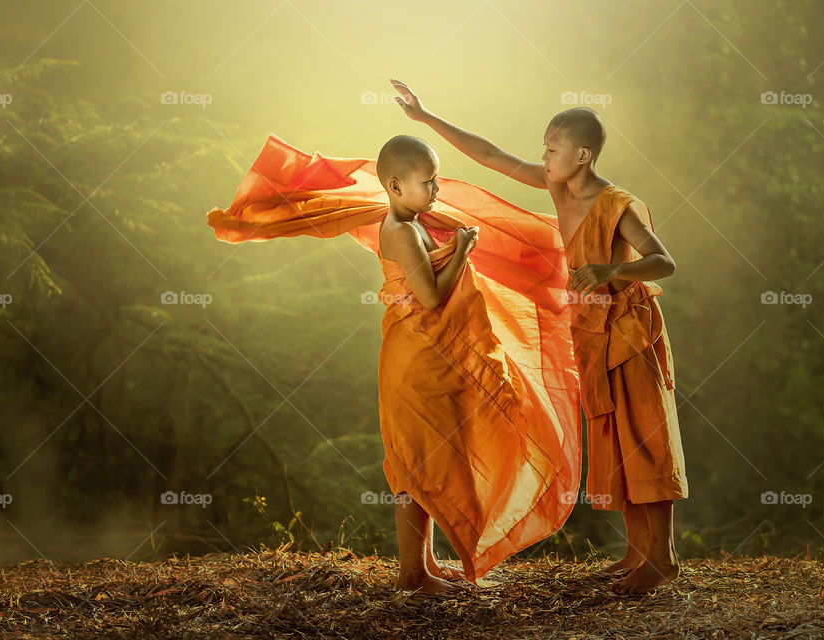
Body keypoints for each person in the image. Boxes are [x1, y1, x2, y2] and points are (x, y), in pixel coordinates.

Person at [208, 132, 582, 594]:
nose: (437, 190)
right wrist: (463, 250)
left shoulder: (416, 221)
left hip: (429, 353)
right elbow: (429, 296)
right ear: (395, 186)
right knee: (418, 463)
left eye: (437, 180)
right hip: (417, 356)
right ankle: (411, 574)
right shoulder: (401, 230)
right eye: (428, 182)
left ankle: (422, 563)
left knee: (429, 460)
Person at [391, 78, 687, 594]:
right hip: (593, 331)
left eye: (553, 150)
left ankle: (662, 559)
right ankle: (638, 554)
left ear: (584, 154)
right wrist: (427, 118)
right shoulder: (557, 187)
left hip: (631, 331)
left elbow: (664, 262)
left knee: (643, 438)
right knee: (615, 440)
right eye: (545, 149)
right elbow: (490, 155)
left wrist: (605, 271)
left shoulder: (617, 204)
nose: (544, 158)